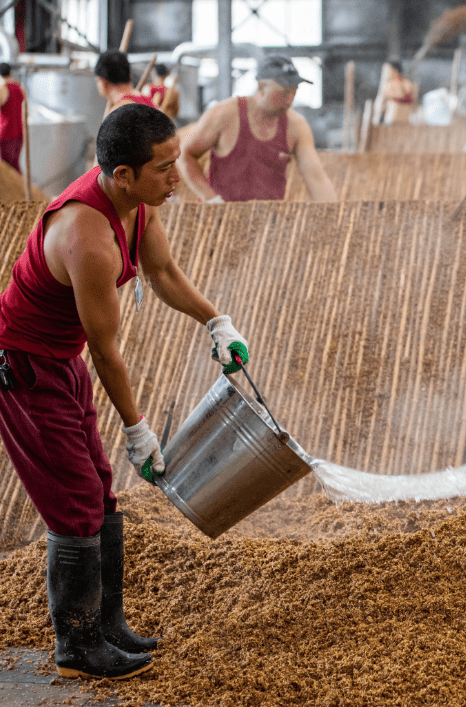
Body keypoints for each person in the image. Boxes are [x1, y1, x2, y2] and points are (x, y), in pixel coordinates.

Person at [0, 104, 251, 680]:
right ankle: (78, 645)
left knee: (100, 490)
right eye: (164, 168)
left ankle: (108, 624)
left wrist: (217, 321)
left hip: (59, 358)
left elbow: (162, 273)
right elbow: (106, 350)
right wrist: (138, 431)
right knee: (76, 501)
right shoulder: (87, 238)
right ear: (122, 175)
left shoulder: (136, 206)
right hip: (26, 365)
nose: (175, 177)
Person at [178, 55, 335, 203]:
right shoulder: (224, 115)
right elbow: (185, 155)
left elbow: (316, 178)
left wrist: (334, 216)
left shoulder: (296, 126)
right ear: (262, 87)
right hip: (222, 219)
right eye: (284, 92)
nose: (290, 100)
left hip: (269, 224)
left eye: (294, 92)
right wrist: (212, 200)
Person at [0, 63, 26, 173]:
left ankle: (19, 190)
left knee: (9, 168)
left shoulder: (3, 89)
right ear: (10, 72)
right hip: (19, 133)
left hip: (6, 134)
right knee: (15, 165)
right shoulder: (19, 87)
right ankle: (22, 189)